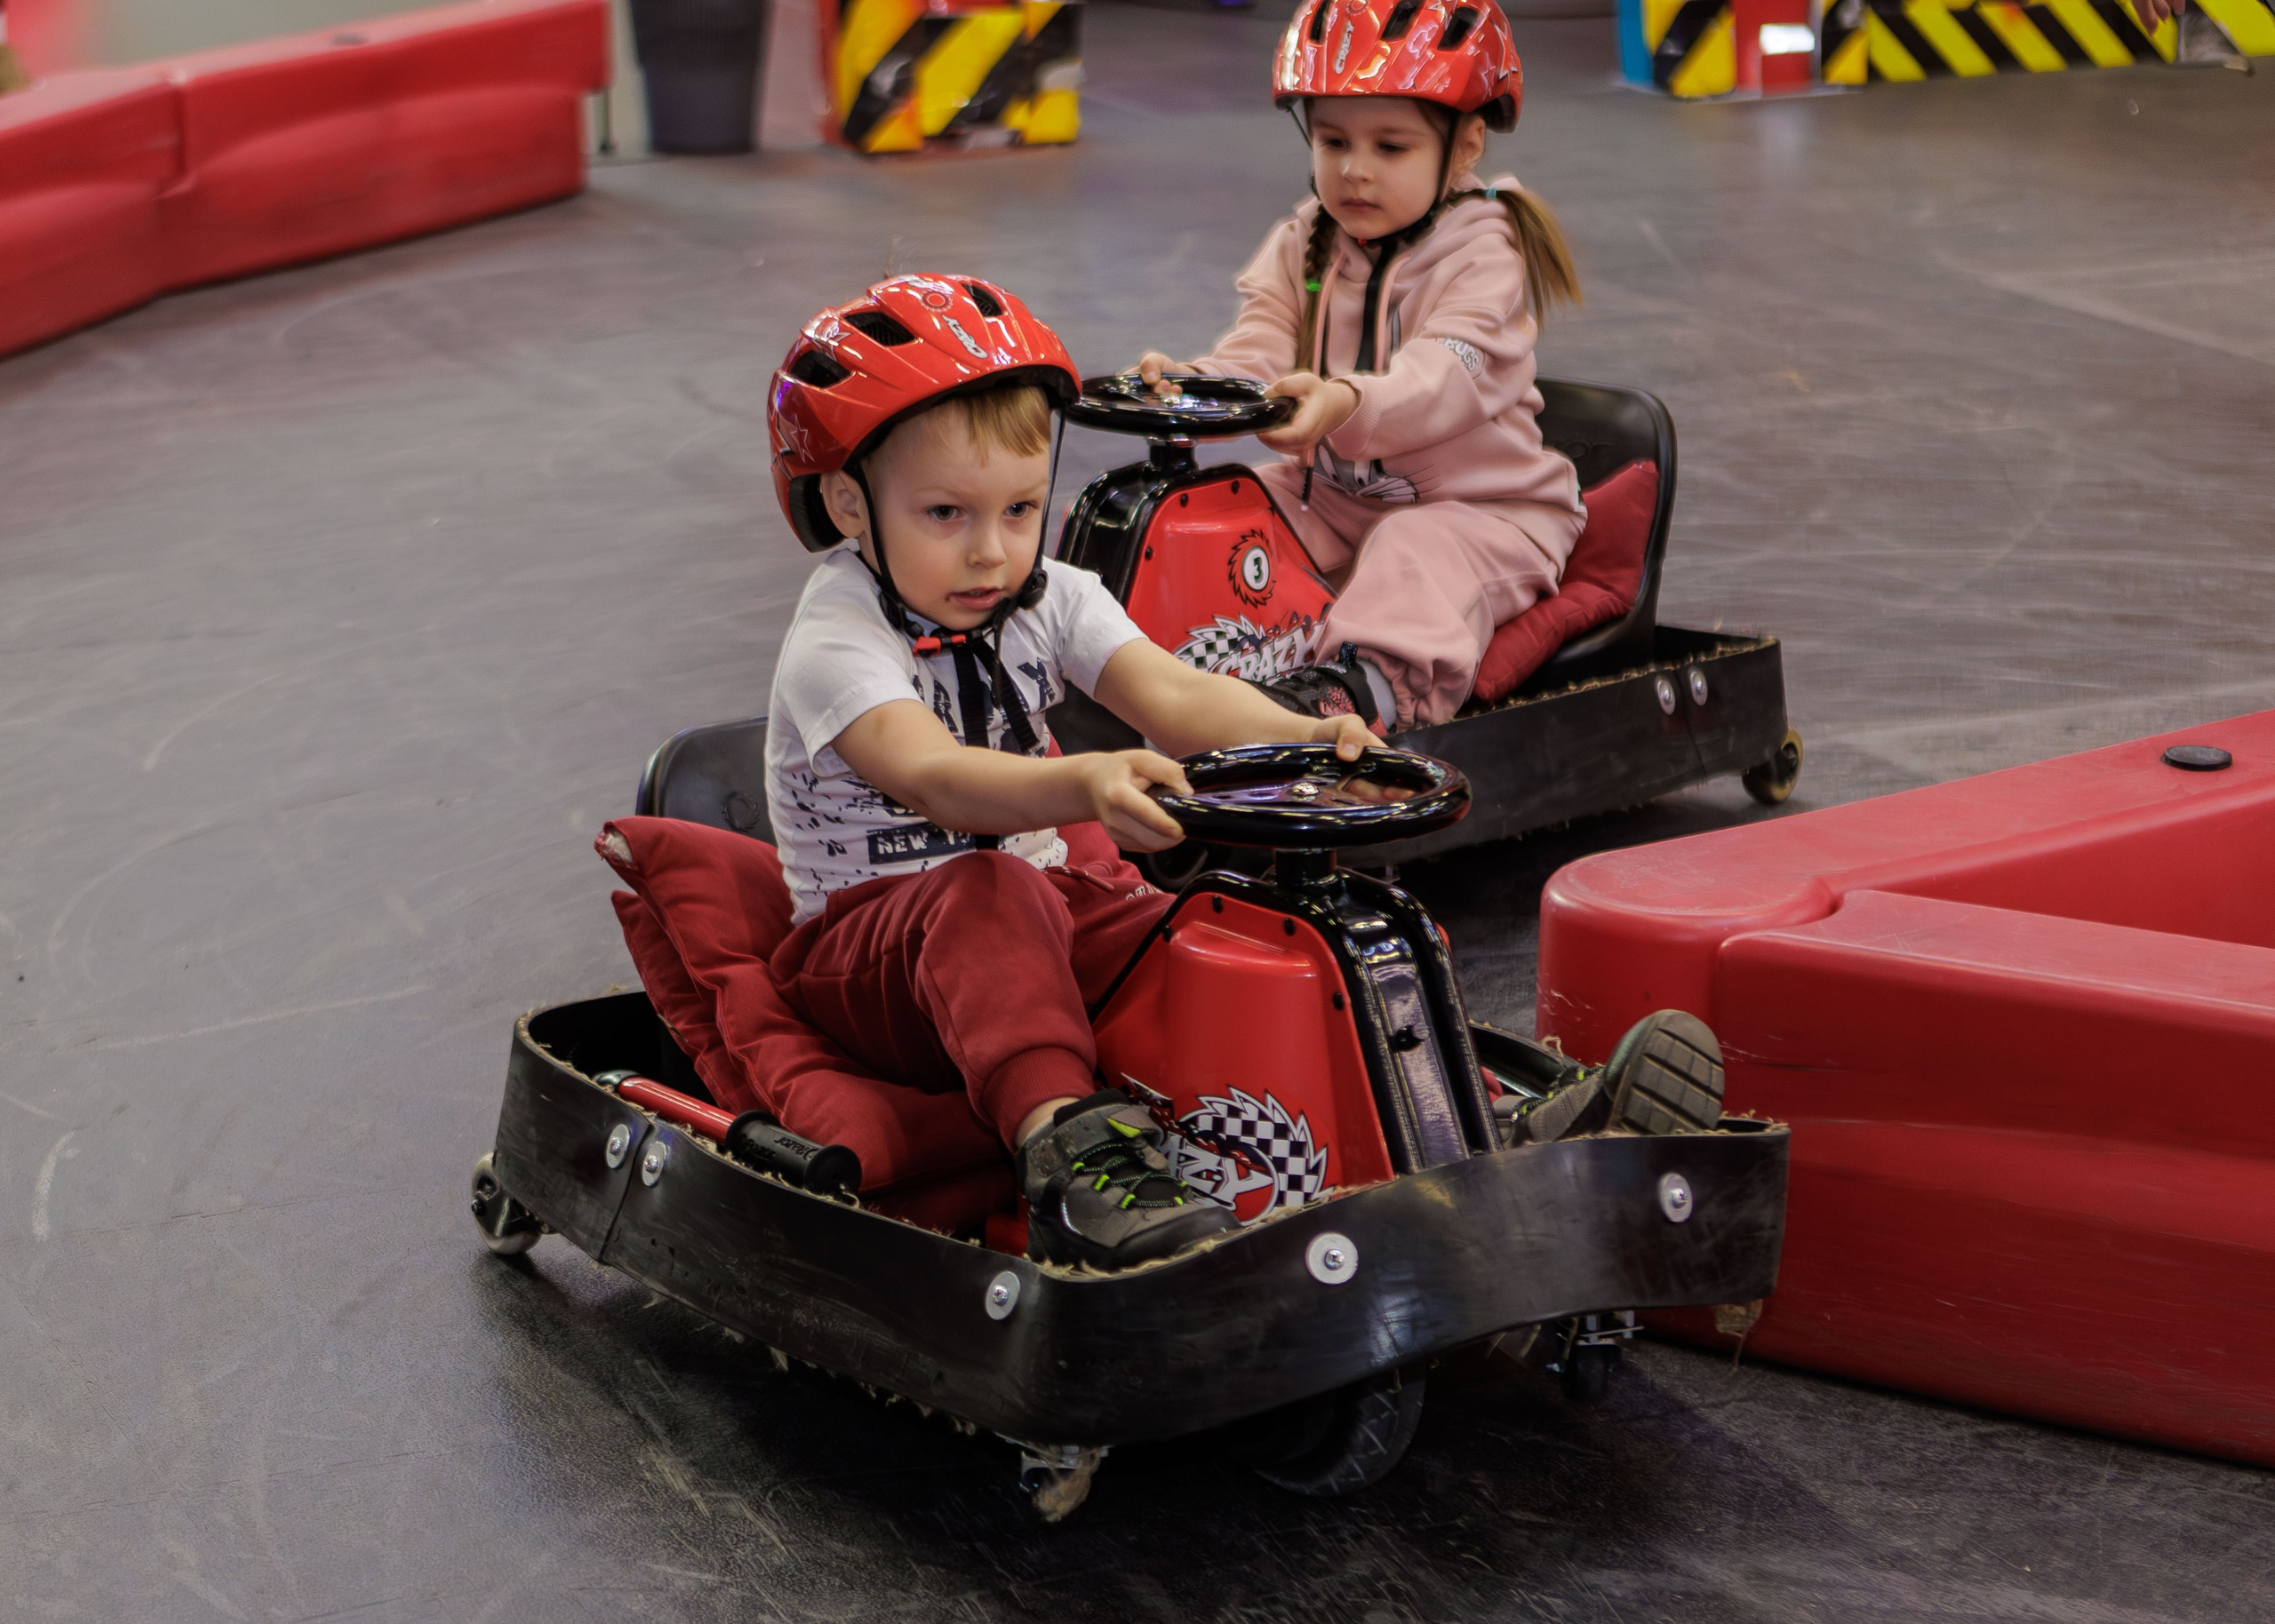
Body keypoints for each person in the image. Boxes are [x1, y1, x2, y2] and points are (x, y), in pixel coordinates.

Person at [762, 273, 1385, 1271]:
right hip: (868, 956)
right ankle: (1073, 1154)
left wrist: (1313, 736)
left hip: (1035, 909)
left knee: (1192, 928)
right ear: (847, 504)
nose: (992, 552)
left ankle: (1454, 1105)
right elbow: (934, 779)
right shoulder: (835, 635)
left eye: (1018, 508)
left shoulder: (1050, 594)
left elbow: (1176, 699)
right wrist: (1084, 783)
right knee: (987, 887)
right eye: (943, 514)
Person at [1136, 0, 1585, 732]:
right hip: (1338, 501)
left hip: (1485, 515)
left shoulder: (1484, 253)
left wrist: (1343, 403)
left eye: (1391, 147)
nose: (1353, 172)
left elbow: (1443, 375)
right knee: (1214, 510)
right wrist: (1188, 388)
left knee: (1413, 547)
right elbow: (1256, 350)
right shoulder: (1304, 241)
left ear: (1465, 145)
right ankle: (1135, 665)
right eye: (1332, 140)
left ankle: (1357, 701)